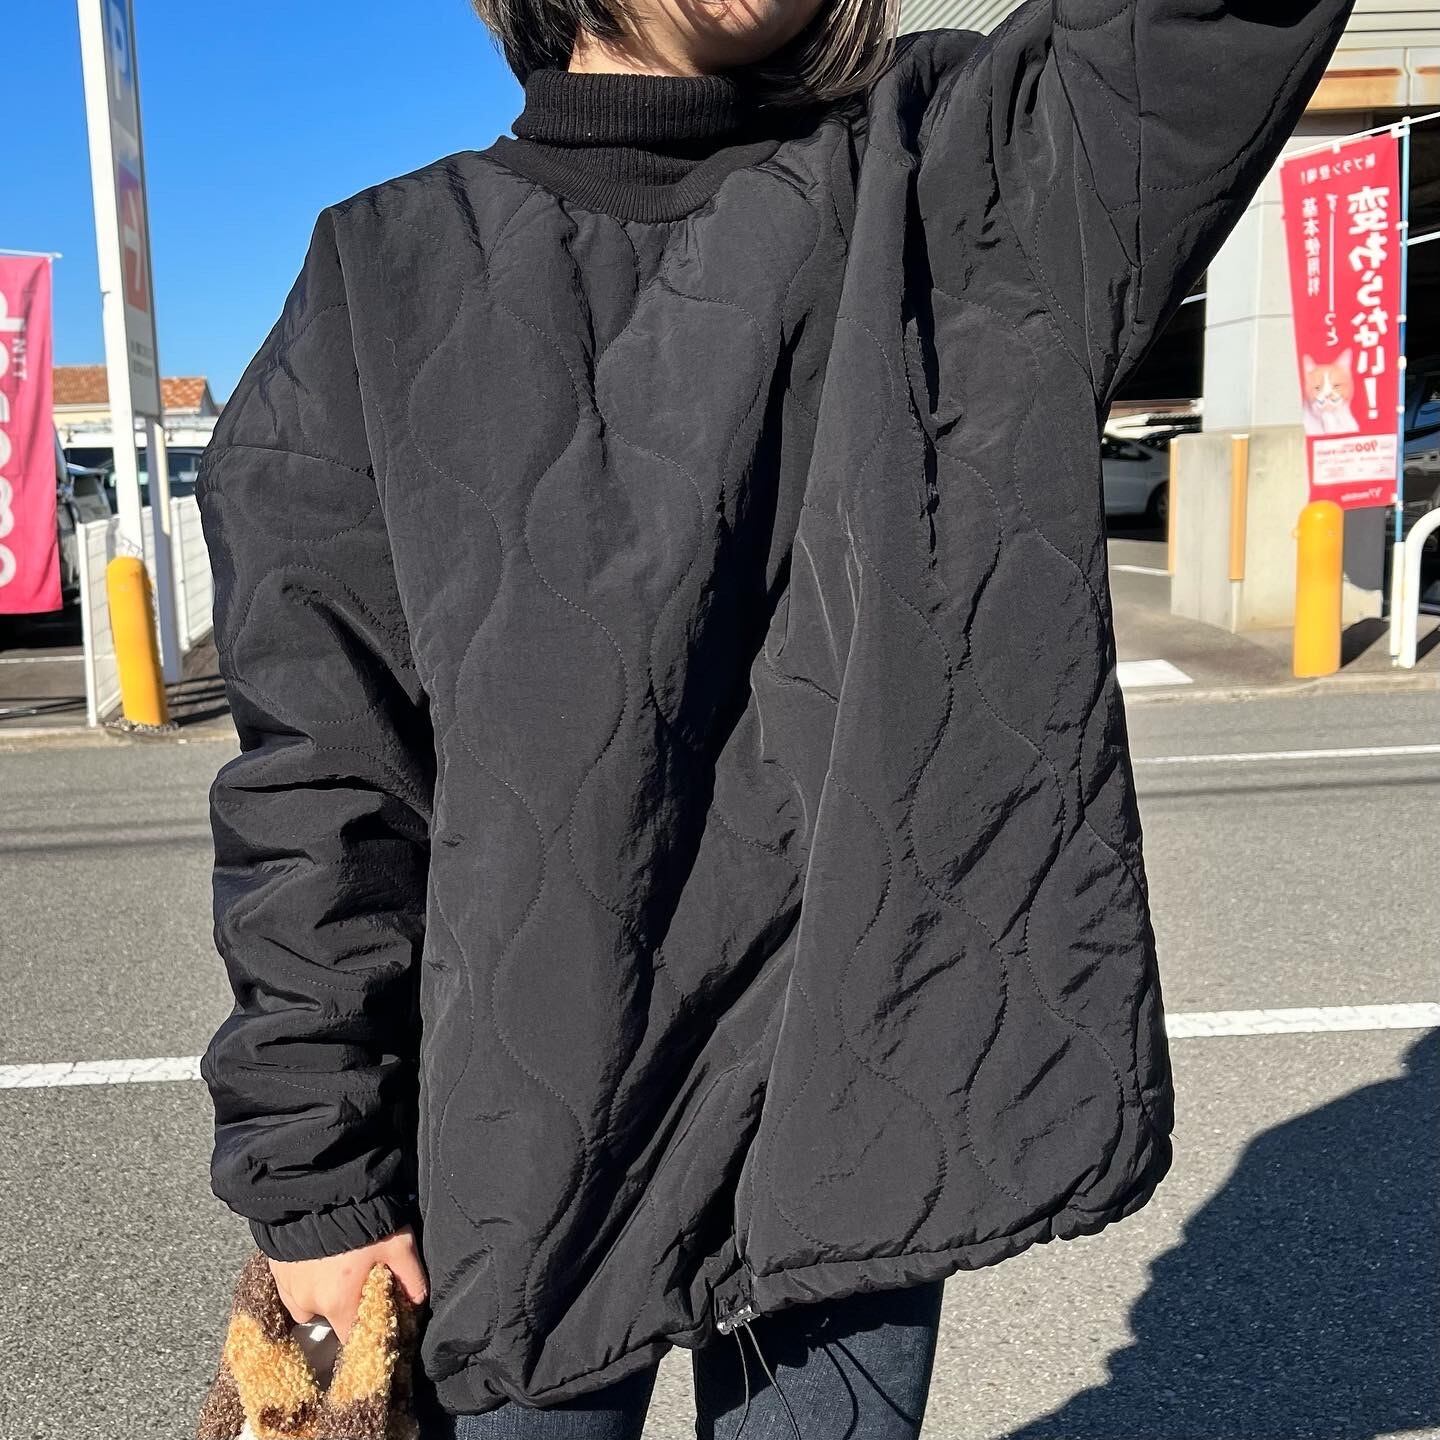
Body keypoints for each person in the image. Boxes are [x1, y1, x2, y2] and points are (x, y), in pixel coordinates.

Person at [195, 0, 1353, 1434]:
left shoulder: (959, 175)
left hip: (853, 1099)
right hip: (511, 1146)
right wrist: (318, 1174)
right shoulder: (380, 277)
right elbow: (323, 779)